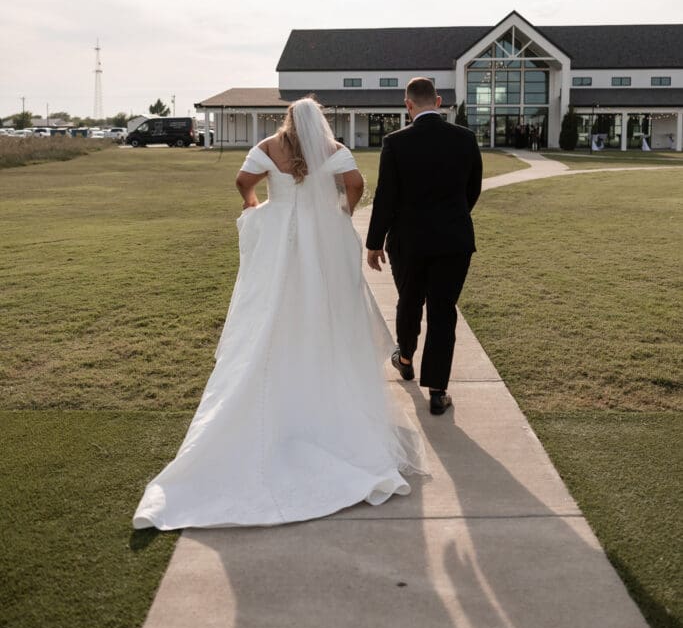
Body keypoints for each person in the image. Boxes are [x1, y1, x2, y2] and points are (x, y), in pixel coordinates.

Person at [133, 97, 427, 530]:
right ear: (318, 121)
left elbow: (242, 179)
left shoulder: (270, 146)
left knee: (273, 301)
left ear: (289, 119)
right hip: (323, 234)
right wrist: (343, 208)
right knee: (325, 302)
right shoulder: (332, 148)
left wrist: (253, 202)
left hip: (280, 234)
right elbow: (356, 182)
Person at [366, 78, 483, 416]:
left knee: (409, 301)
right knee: (443, 311)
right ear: (439, 101)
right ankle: (437, 390)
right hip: (453, 240)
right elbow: (472, 189)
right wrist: (452, 217)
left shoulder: (395, 142)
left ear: (408, 105)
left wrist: (374, 243)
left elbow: (386, 196)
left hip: (409, 241)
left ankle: (405, 359)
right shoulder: (465, 138)